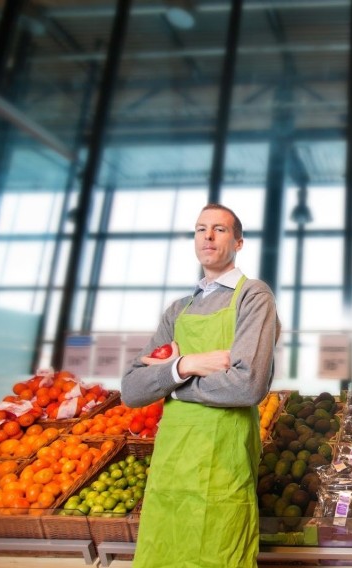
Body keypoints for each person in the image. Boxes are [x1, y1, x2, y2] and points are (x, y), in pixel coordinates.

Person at [121, 203, 280, 568]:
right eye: (200, 229)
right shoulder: (177, 310)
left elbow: (246, 385)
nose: (208, 236)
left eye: (220, 229)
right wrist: (186, 364)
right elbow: (132, 389)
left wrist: (171, 386)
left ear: (238, 242)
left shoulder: (253, 297)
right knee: (165, 550)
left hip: (223, 456)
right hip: (171, 459)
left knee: (220, 551)